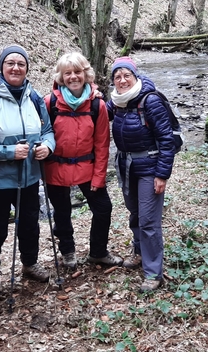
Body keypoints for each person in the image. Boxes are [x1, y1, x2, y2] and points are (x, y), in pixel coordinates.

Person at [0, 44, 56, 295]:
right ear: (1, 68)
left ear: (27, 68)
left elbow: (47, 131)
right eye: (10, 63)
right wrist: (8, 152)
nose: (16, 67)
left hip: (29, 176)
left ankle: (29, 263)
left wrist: (47, 148)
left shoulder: (35, 98)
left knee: (30, 223)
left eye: (21, 63)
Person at [43, 52, 123, 270]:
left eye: (77, 72)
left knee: (103, 208)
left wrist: (99, 177)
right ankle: (68, 252)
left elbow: (102, 144)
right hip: (55, 167)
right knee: (62, 212)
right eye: (67, 73)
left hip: (87, 167)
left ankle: (98, 252)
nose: (73, 77)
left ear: (86, 74)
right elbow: (42, 135)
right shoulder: (49, 103)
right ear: (60, 76)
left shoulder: (98, 105)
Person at [107, 56, 176, 293]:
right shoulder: (117, 102)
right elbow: (96, 112)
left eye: (127, 75)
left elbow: (167, 140)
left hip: (150, 167)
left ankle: (153, 272)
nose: (122, 80)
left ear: (135, 76)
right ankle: (138, 252)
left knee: (148, 220)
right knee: (135, 213)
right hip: (127, 167)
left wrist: (162, 175)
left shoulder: (150, 100)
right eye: (117, 77)